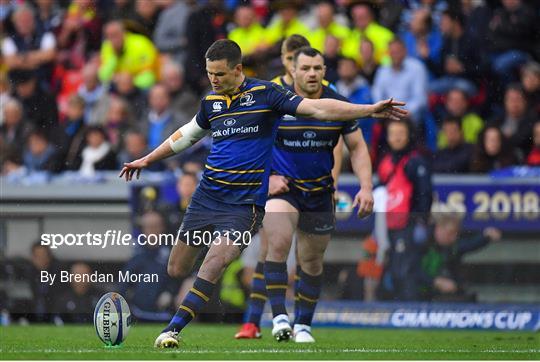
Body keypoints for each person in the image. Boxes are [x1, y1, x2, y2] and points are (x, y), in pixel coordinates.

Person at [119, 39, 406, 348]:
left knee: (217, 262)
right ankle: (221, 286)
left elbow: (318, 108)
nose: (213, 80)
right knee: (177, 268)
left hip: (246, 204)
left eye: (219, 74)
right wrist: (147, 158)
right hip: (207, 197)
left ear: (238, 69)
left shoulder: (267, 95)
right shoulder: (211, 103)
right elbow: (185, 135)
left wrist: (369, 109)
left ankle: (173, 329)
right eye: (209, 74)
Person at [256, 47, 374, 343]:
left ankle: (303, 326)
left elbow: (357, 147)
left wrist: (366, 186)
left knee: (311, 261)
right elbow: (252, 145)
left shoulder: (339, 105)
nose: (311, 73)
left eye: (317, 68)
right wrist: (266, 178)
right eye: (305, 68)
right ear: (292, 71)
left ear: (324, 72)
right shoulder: (275, 102)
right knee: (279, 242)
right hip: (284, 190)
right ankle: (280, 317)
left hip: (320, 192)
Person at [377, 118, 432, 301]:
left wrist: (421, 220)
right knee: (393, 268)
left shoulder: (416, 162)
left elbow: (425, 193)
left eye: (401, 134)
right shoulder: (385, 162)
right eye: (393, 134)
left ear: (409, 135)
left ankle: (409, 308)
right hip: (387, 225)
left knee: (406, 269)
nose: (397, 138)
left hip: (408, 224)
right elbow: (380, 190)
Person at [419, 213, 502, 302]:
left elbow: (469, 245)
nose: (453, 238)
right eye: (450, 233)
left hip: (439, 296)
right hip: (417, 294)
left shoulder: (452, 247)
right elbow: (412, 271)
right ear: (439, 229)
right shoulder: (420, 244)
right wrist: (435, 281)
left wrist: (485, 236)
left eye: (456, 234)